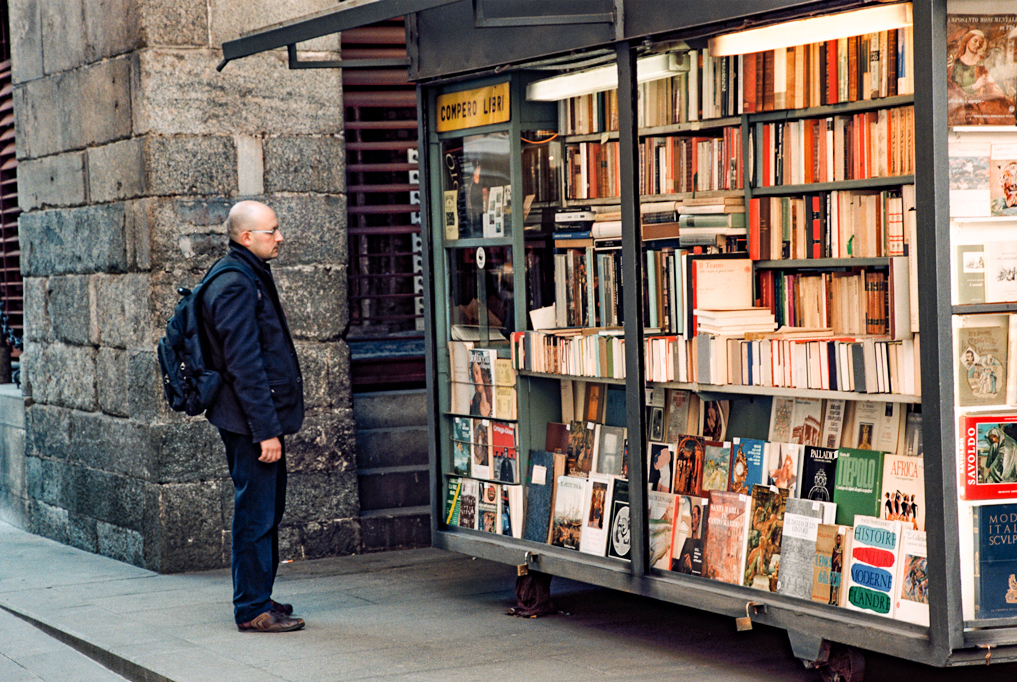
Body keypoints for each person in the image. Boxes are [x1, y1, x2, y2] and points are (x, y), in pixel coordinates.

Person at [202, 201, 305, 633]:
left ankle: (258, 595)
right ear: (246, 237)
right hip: (249, 423)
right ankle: (251, 609)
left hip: (251, 419)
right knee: (256, 513)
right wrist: (266, 431)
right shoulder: (236, 283)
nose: (279, 237)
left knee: (265, 509)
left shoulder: (244, 273)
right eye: (272, 230)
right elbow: (244, 365)